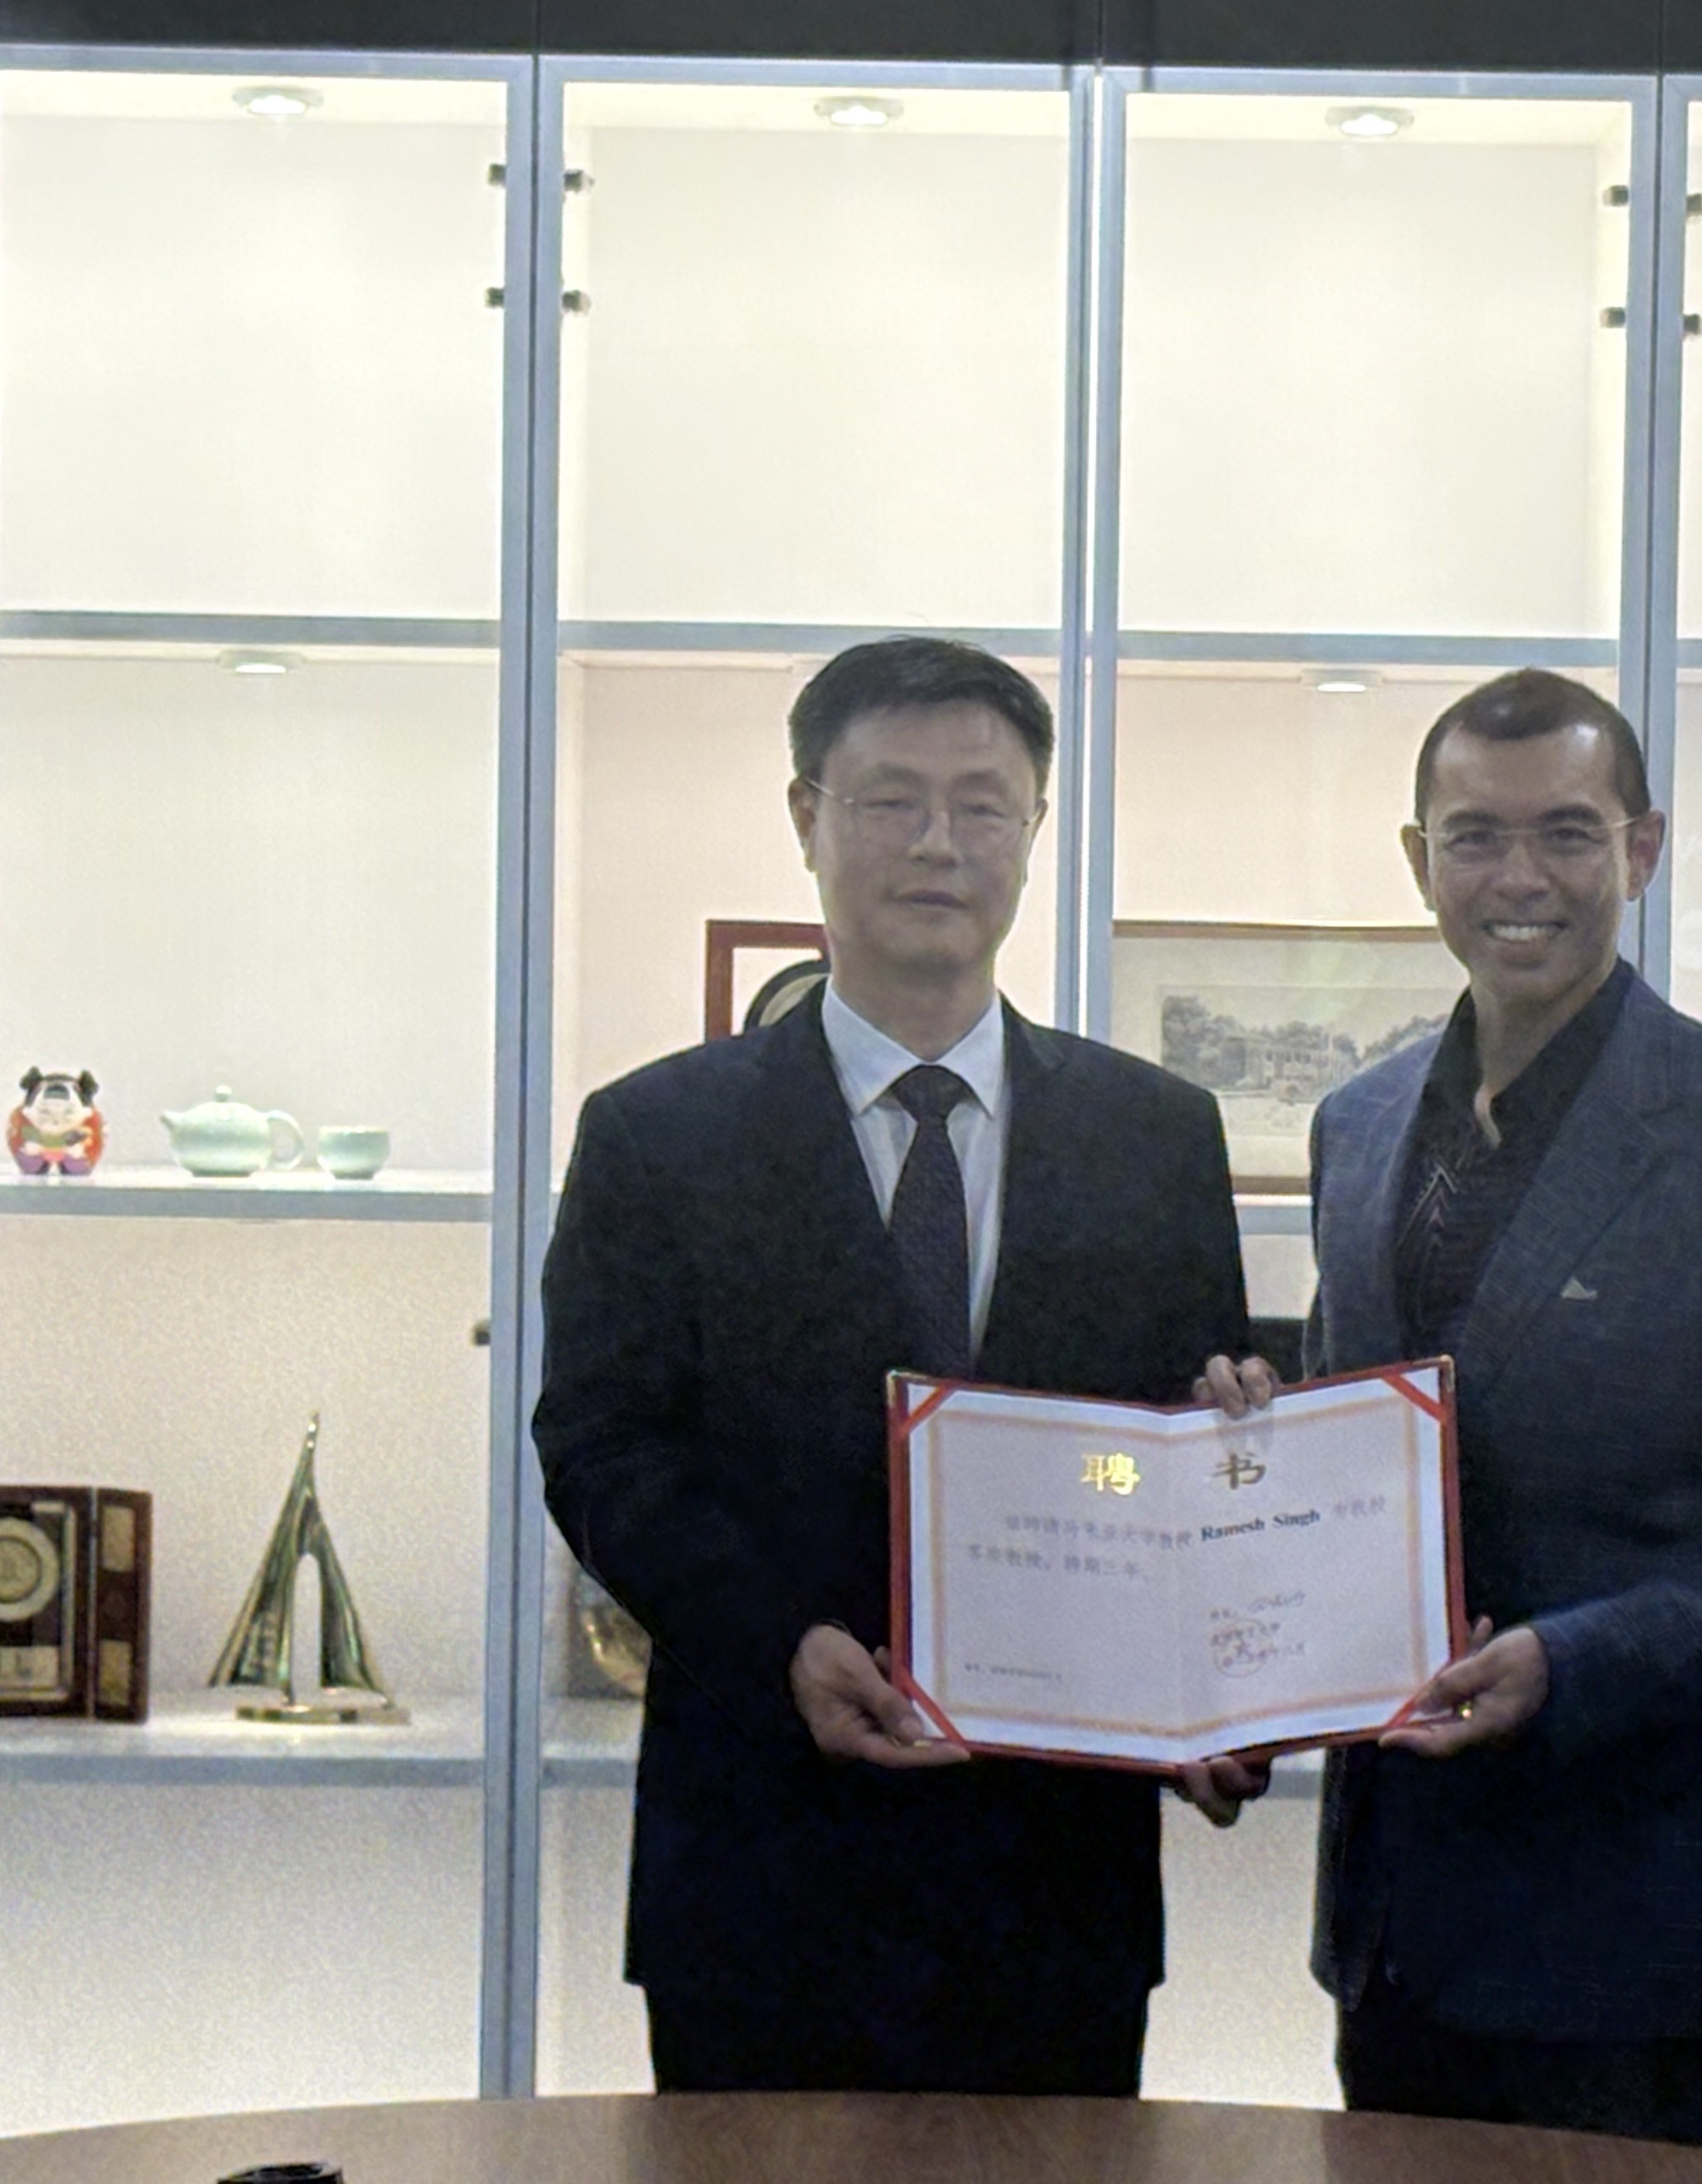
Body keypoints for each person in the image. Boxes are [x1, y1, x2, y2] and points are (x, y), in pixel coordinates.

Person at [537, 635, 1270, 2097]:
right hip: (760, 1865)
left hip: (1058, 1883)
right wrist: (779, 1647)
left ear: (1034, 829)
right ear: (806, 817)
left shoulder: (1155, 1134)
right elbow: (604, 1450)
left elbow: (1171, 1454)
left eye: (982, 803)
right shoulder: (655, 1135)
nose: (940, 842)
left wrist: (1216, 1661)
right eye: (890, 799)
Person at [1205, 667, 1702, 2151]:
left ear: (1641, 850)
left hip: (1641, 1917)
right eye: (1474, 835)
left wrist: (1577, 1661)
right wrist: (1249, 1518)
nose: (1518, 876)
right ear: (1418, 859)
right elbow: (1365, 1439)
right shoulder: (1359, 1124)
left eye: (1567, 833)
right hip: (1399, 1909)